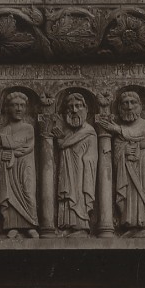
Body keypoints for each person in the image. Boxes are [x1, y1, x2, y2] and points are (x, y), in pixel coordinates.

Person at [0, 91, 39, 238]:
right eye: (14, 105)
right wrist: (2, 155)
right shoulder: (4, 129)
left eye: (21, 105)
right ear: (7, 108)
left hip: (25, 166)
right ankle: (12, 226)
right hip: (9, 168)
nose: (18, 109)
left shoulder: (28, 128)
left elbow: (26, 146)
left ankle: (31, 224)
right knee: (9, 194)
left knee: (28, 192)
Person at [99, 91, 145, 237]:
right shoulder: (120, 130)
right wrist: (123, 151)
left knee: (144, 191)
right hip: (126, 168)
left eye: (133, 102)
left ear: (140, 106)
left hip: (143, 166)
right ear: (119, 107)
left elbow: (140, 134)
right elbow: (116, 149)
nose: (129, 107)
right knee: (128, 195)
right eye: (125, 103)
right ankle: (131, 225)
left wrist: (117, 129)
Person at [53, 93, 98, 237]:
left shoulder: (89, 131)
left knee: (78, 196)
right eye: (70, 107)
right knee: (68, 196)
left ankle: (81, 227)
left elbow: (92, 157)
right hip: (67, 170)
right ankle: (69, 226)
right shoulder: (67, 132)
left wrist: (84, 159)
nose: (74, 110)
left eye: (78, 106)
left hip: (82, 172)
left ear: (86, 109)